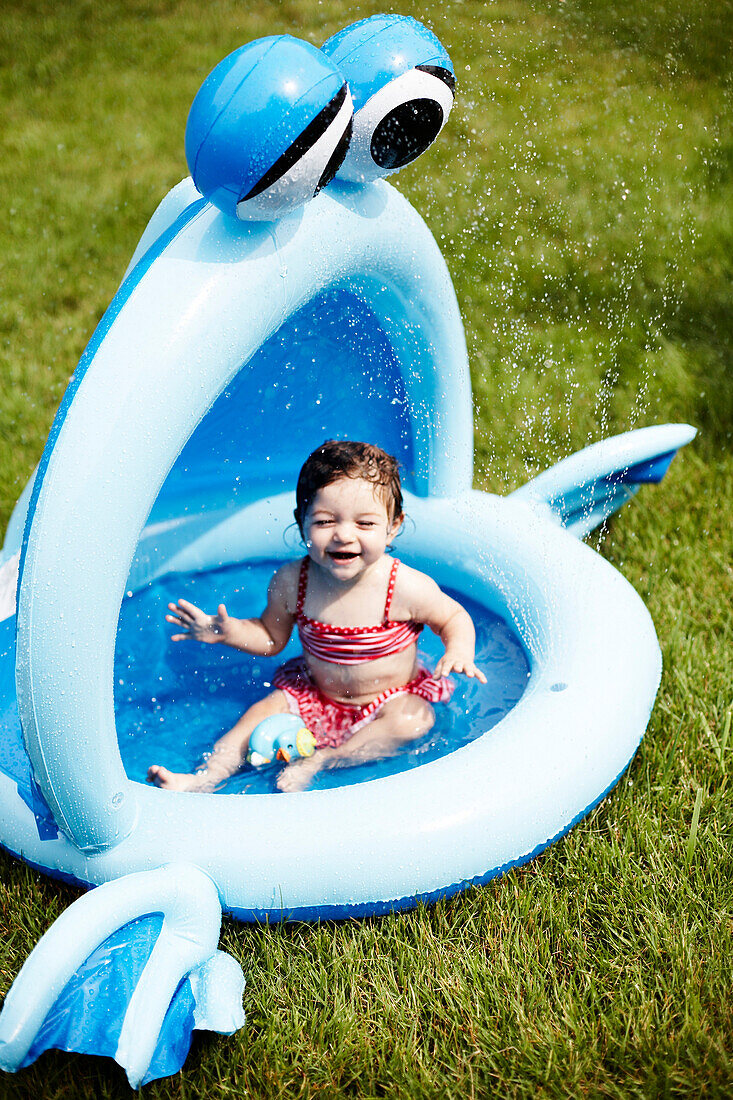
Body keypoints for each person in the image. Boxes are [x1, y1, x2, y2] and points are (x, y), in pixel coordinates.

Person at [147, 440, 486, 794]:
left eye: (365, 523)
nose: (343, 534)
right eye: (325, 521)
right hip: (315, 697)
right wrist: (229, 632)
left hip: (389, 699)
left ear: (393, 526)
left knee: (414, 720)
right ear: (301, 522)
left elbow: (452, 616)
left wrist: (458, 650)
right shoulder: (293, 582)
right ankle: (206, 778)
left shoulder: (404, 587)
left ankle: (325, 758)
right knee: (255, 717)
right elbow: (270, 636)